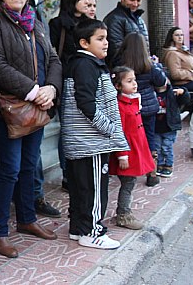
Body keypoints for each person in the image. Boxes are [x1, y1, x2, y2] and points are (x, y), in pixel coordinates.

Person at [0, 0, 62, 259]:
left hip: (38, 107)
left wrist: (51, 89)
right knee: (10, 169)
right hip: (11, 110)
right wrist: (34, 90)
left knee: (30, 166)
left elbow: (53, 58)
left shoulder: (36, 22)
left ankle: (27, 218)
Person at [61, 19, 128, 249]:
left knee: (82, 187)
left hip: (83, 141)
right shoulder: (86, 65)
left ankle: (78, 228)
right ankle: (93, 231)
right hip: (90, 142)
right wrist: (109, 128)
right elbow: (86, 103)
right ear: (84, 42)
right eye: (100, 39)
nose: (106, 43)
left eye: (106, 38)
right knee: (94, 188)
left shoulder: (83, 63)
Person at [49, 0, 94, 190]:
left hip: (87, 82)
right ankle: (68, 174)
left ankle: (83, 170)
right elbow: (53, 57)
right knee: (67, 130)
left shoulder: (90, 24)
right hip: (67, 82)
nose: (87, 1)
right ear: (72, 1)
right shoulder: (58, 24)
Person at [117, 32, 167, 187]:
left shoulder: (120, 63)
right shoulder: (149, 65)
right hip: (148, 107)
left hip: (127, 106)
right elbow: (161, 81)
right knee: (149, 138)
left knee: (129, 136)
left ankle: (129, 167)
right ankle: (151, 172)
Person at [109, 66, 156, 229]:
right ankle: (123, 214)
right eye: (129, 81)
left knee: (131, 182)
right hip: (128, 151)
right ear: (118, 86)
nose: (134, 84)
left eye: (134, 80)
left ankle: (124, 212)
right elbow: (118, 131)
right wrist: (122, 154)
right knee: (128, 183)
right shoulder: (119, 106)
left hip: (137, 148)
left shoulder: (133, 100)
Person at [103, 0, 149, 67]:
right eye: (132, 0)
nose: (135, 4)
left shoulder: (139, 19)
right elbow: (116, 53)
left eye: (138, 0)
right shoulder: (114, 19)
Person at [153, 83, 188, 178]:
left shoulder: (172, 92)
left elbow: (185, 100)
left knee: (167, 147)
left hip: (169, 126)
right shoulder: (151, 92)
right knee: (157, 147)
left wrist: (183, 92)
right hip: (156, 126)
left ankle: (168, 165)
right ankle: (159, 164)